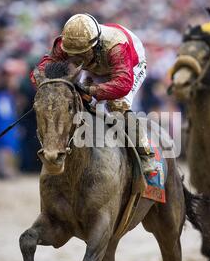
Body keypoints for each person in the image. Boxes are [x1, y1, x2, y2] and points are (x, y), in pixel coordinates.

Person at [30, 13, 158, 174]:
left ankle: (146, 154)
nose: (77, 57)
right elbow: (45, 66)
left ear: (95, 45)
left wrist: (92, 90)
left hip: (130, 65)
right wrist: (43, 80)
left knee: (118, 105)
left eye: (82, 52)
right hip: (96, 65)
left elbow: (123, 84)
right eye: (72, 53)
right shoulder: (63, 44)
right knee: (74, 99)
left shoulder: (116, 48)